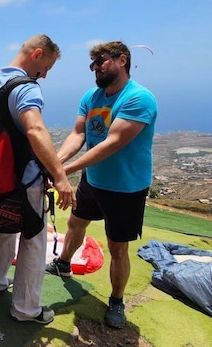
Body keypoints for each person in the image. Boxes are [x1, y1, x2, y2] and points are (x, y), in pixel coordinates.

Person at [45, 40, 158, 330]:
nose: (95, 68)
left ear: (122, 60)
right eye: (92, 64)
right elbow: (78, 134)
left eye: (101, 61)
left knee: (117, 247)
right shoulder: (92, 97)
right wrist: (55, 163)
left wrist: (64, 170)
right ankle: (63, 263)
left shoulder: (138, 98)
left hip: (125, 188)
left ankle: (117, 301)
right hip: (93, 179)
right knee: (75, 223)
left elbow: (112, 144)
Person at [0, 34, 75, 325]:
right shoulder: (27, 89)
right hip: (25, 180)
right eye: (46, 68)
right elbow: (35, 131)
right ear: (37, 54)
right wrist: (59, 176)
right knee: (33, 240)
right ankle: (26, 308)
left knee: (1, 229)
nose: (44, 75)